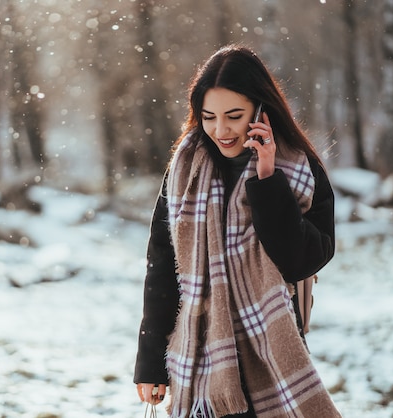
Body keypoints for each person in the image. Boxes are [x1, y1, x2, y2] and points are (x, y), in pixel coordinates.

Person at [133, 44, 342, 418]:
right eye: (208, 116)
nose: (221, 129)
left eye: (234, 115)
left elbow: (302, 261)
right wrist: (150, 364)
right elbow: (163, 266)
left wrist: (267, 179)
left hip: (271, 352)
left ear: (261, 111)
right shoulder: (184, 170)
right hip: (201, 359)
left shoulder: (298, 169)